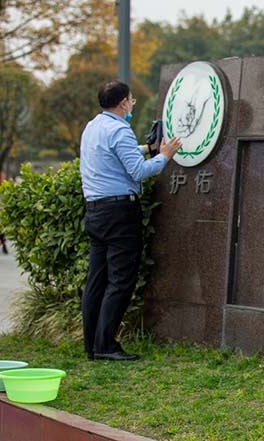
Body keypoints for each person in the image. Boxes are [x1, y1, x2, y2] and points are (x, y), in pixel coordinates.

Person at [80, 80, 182, 361]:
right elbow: (138, 172)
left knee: (96, 280)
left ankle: (92, 344)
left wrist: (148, 148)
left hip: (95, 211)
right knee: (120, 280)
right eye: (132, 101)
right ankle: (106, 345)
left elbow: (115, 157)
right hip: (119, 214)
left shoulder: (93, 127)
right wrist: (164, 156)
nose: (131, 106)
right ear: (124, 102)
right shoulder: (120, 130)